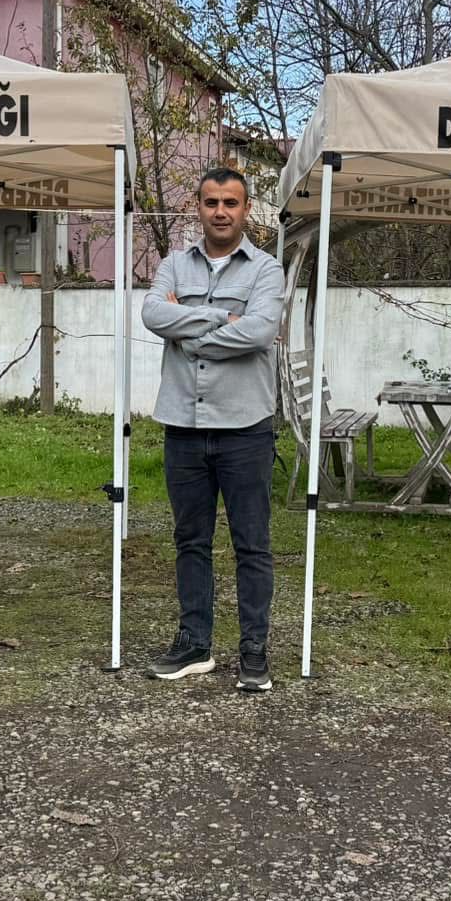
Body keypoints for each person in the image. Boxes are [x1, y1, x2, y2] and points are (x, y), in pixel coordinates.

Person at [140, 166, 285, 691]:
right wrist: (223, 321)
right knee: (190, 541)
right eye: (210, 202)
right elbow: (153, 313)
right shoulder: (172, 265)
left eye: (231, 202)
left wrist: (190, 326)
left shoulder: (267, 270)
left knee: (252, 544)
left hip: (245, 429)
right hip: (182, 425)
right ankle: (195, 645)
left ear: (247, 210)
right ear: (196, 208)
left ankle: (253, 651)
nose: (220, 211)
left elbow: (262, 331)